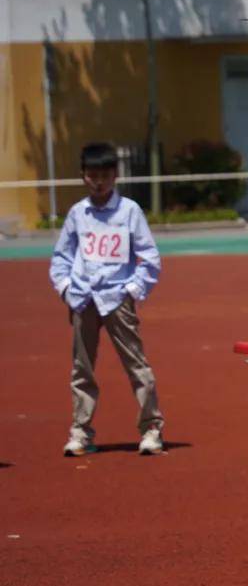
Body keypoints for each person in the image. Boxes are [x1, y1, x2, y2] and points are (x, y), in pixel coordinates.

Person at [49, 143, 165, 456]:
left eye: (105, 175)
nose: (98, 181)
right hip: (83, 300)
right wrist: (65, 288)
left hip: (117, 298)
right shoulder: (77, 214)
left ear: (115, 176)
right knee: (81, 369)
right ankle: (80, 432)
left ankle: (151, 428)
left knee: (136, 366)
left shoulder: (129, 211)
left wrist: (132, 290)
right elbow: (61, 256)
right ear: (84, 177)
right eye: (92, 175)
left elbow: (149, 257)